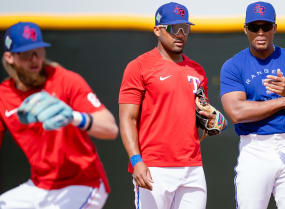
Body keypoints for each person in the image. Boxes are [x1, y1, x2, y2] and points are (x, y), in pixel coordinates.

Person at [0, 22, 118, 209]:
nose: (34, 59)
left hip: (84, 182)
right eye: (25, 53)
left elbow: (110, 128)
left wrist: (74, 117)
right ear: (10, 57)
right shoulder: (3, 95)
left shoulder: (65, 80)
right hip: (40, 186)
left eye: (38, 51)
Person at [118, 2, 219, 209]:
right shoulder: (139, 66)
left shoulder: (197, 71)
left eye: (185, 28)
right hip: (154, 168)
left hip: (192, 167)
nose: (180, 34)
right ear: (157, 30)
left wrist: (207, 120)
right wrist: (136, 160)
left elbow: (199, 114)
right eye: (174, 28)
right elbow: (128, 118)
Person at [220, 2, 285, 209]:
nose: (261, 32)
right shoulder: (233, 66)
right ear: (246, 29)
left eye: (266, 26)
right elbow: (237, 112)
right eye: (255, 27)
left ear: (275, 27)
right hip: (255, 148)